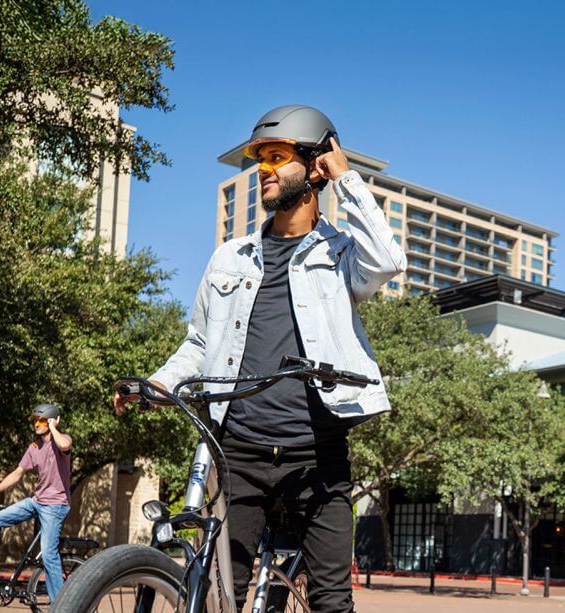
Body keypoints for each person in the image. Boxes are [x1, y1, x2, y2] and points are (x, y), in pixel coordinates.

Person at [115, 105, 405, 612]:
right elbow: (200, 344)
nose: (264, 169)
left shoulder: (339, 254)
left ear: (315, 166)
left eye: (277, 156)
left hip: (317, 455)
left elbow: (388, 261)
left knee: (332, 602)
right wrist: (159, 384)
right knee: (217, 592)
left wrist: (346, 178)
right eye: (260, 159)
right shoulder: (230, 258)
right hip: (239, 452)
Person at [0, 403, 72, 603]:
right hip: (36, 501)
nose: (37, 424)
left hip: (55, 506)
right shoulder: (34, 448)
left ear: (53, 421)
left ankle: (63, 604)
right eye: (35, 420)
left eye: (42, 420)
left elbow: (64, 445)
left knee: (48, 554)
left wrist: (54, 427)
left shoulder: (62, 441)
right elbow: (16, 475)